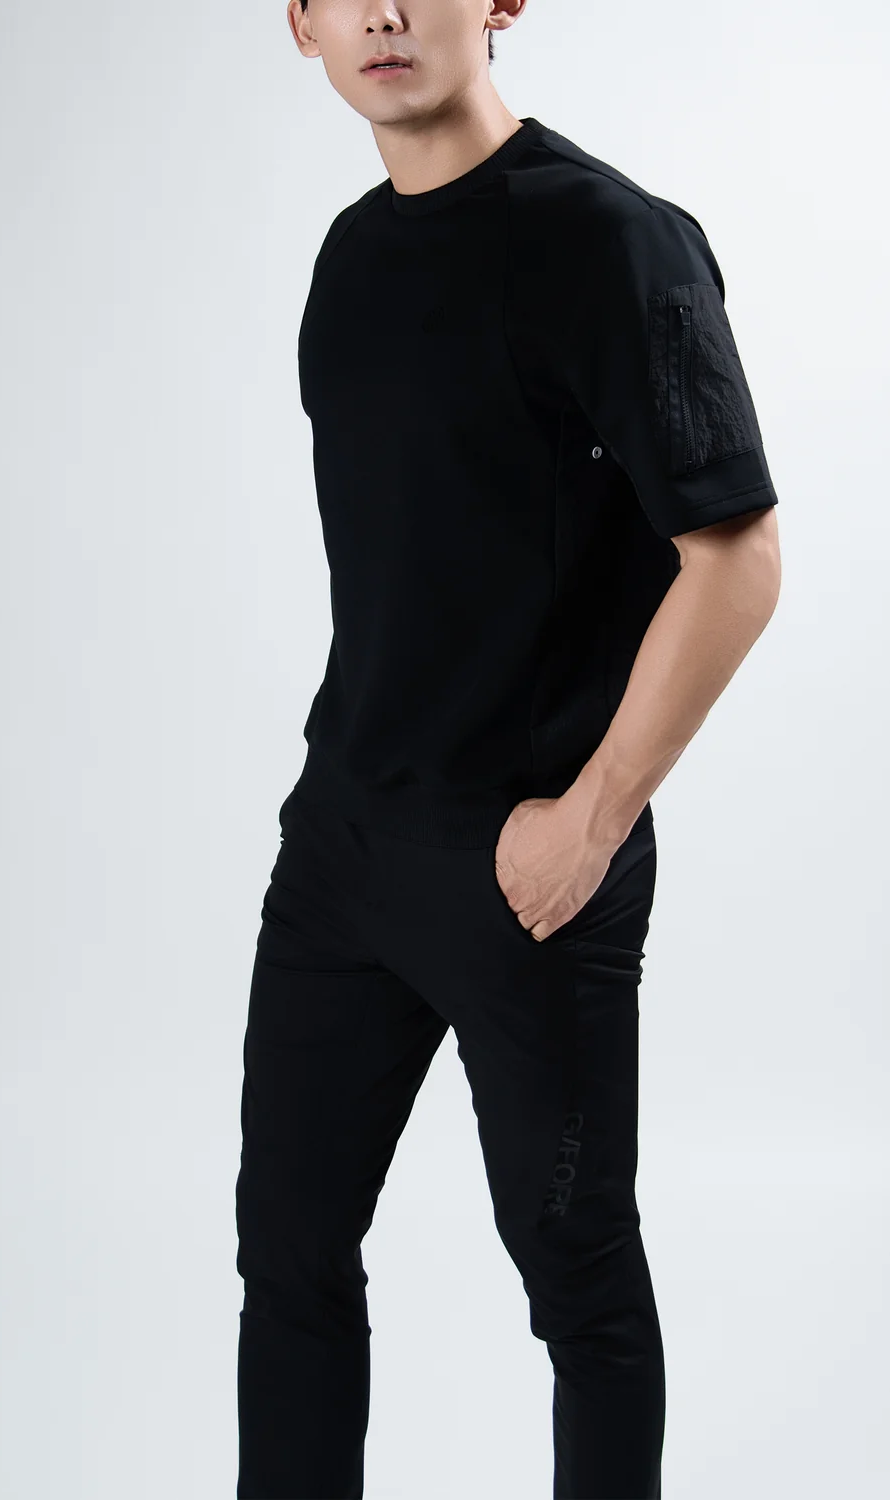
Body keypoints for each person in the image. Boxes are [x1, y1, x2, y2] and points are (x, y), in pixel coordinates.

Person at [235, 3, 782, 1496]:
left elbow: (737, 559)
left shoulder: (614, 242)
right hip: (344, 849)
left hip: (527, 861)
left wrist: (588, 822)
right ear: (300, 25)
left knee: (578, 1282)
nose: (384, 14)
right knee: (288, 1256)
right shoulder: (350, 260)